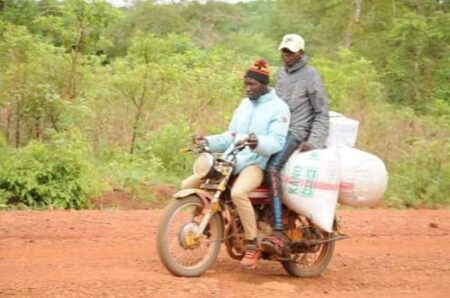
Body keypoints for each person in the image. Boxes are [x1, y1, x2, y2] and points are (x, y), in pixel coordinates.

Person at [182, 59, 290, 269]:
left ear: (264, 85)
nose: (247, 89)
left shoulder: (279, 108)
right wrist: (208, 142)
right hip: (231, 160)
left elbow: (277, 142)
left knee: (238, 193)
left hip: (255, 163)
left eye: (252, 85)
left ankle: (252, 243)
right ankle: (199, 224)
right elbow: (230, 136)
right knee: (189, 184)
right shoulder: (244, 105)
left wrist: (258, 142)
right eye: (246, 84)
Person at [262, 33, 330, 255]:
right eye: (283, 50)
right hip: (278, 129)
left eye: (290, 52)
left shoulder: (311, 76)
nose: (286, 55)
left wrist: (314, 141)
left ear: (300, 53)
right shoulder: (281, 73)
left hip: (297, 131)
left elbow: (321, 112)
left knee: (272, 167)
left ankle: (278, 228)